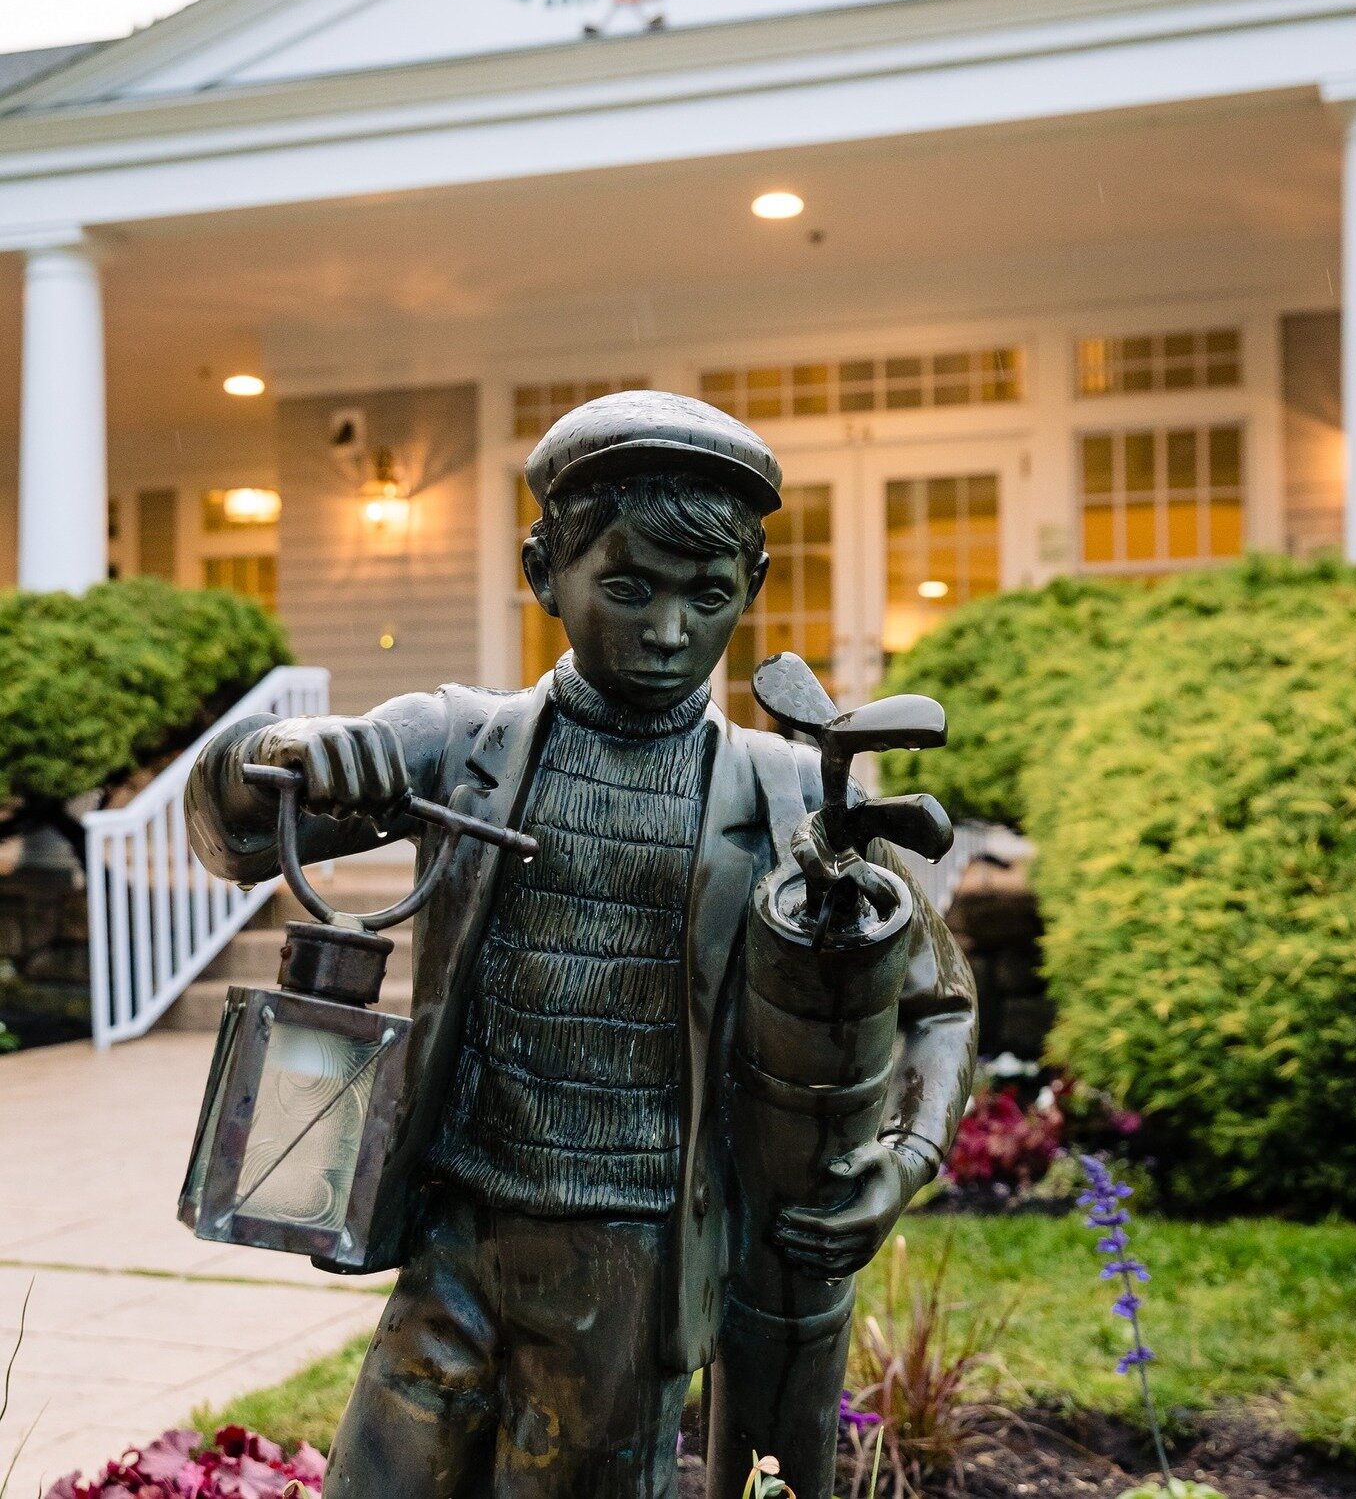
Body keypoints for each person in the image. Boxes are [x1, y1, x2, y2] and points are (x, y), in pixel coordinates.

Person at [185, 391, 976, 1499]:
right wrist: (286, 747)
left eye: (708, 597)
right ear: (542, 569)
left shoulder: (790, 791)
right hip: (454, 1235)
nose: (668, 631)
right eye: (627, 585)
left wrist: (904, 1159)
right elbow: (228, 834)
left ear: (750, 589)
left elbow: (938, 1003)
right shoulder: (462, 742)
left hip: (632, 1259)